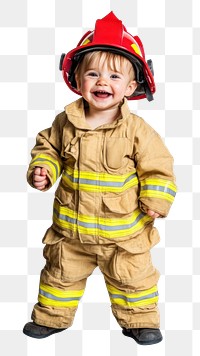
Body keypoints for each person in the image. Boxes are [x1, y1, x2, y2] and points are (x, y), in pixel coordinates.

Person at [23, 12, 176, 345]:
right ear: (77, 80)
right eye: (92, 73)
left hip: (123, 235)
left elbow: (158, 166)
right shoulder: (65, 122)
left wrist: (157, 198)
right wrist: (44, 169)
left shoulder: (138, 131)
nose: (102, 82)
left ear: (132, 86)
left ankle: (140, 321)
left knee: (133, 279)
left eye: (114, 76)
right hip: (71, 231)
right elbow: (47, 146)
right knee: (58, 276)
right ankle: (51, 317)